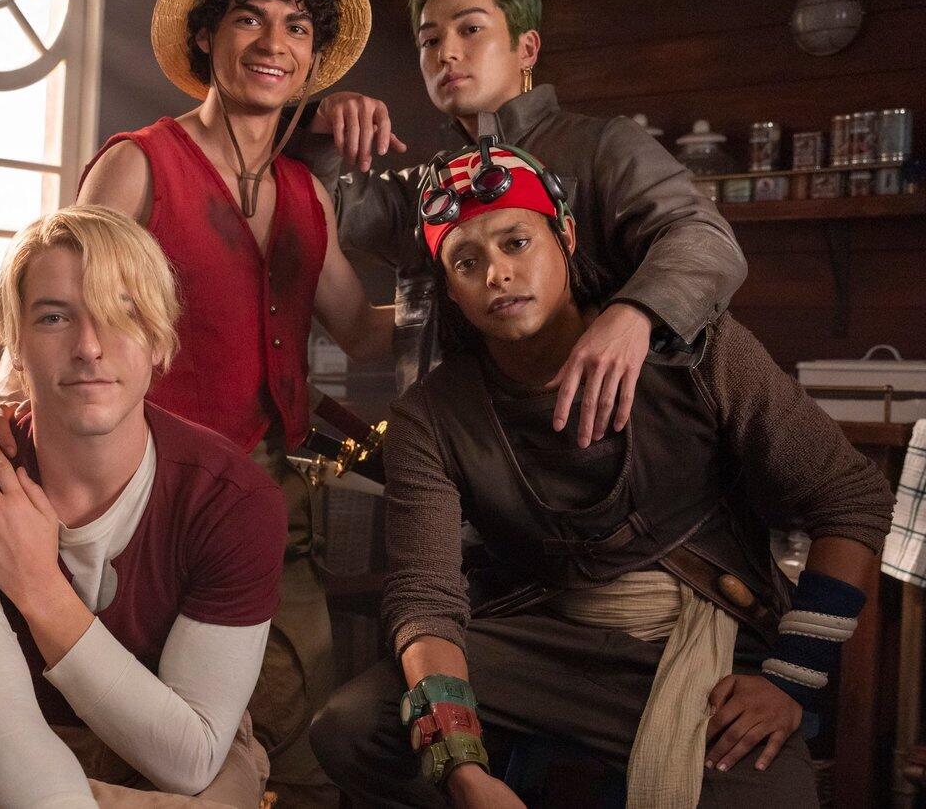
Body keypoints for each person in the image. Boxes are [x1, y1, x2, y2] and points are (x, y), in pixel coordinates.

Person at [306, 141, 894, 808]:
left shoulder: (696, 351)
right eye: (466, 262)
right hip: (540, 641)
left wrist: (791, 679)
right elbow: (425, 602)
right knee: (354, 727)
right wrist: (460, 767)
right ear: (448, 287)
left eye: (516, 243)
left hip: (695, 636)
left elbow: (851, 498)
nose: (497, 274)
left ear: (565, 235)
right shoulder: (431, 417)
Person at [0, 0, 390, 805]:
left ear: (313, 58)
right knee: (147, 731)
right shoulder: (140, 162)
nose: (273, 43)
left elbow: (363, 330)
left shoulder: (308, 194)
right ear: (206, 36)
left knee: (301, 726)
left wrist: (470, 266)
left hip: (270, 494)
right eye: (249, 19)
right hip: (145, 490)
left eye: (297, 28)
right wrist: (7, 420)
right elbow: (56, 294)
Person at [0, 206, 286, 808]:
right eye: (54, 317)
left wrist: (38, 587)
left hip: (168, 756)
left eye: (122, 312)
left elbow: (187, 759)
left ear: (158, 338)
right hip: (17, 752)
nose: (89, 347)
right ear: (16, 344)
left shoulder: (233, 500)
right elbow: (0, 732)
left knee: (211, 784)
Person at [291, 0, 748, 449]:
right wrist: (319, 124)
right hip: (458, 452)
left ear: (527, 48)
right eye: (430, 40)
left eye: (470, 29)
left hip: (602, 446)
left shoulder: (603, 147)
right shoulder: (426, 187)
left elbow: (705, 238)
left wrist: (634, 315)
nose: (446, 53)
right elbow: (313, 209)